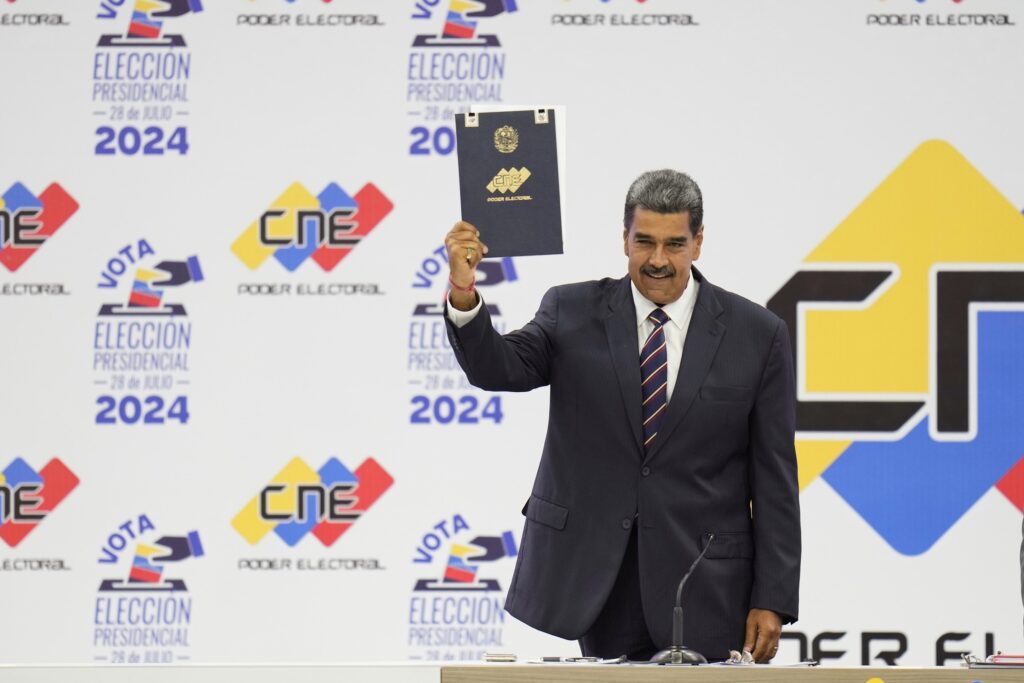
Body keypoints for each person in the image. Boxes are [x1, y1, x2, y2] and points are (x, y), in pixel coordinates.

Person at [443, 170, 801, 662]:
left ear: (698, 243)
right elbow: (497, 367)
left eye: (675, 244)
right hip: (601, 586)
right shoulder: (569, 310)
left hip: (708, 585)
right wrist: (464, 295)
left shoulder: (758, 335)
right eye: (644, 242)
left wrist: (773, 598)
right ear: (624, 240)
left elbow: (776, 481)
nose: (658, 260)